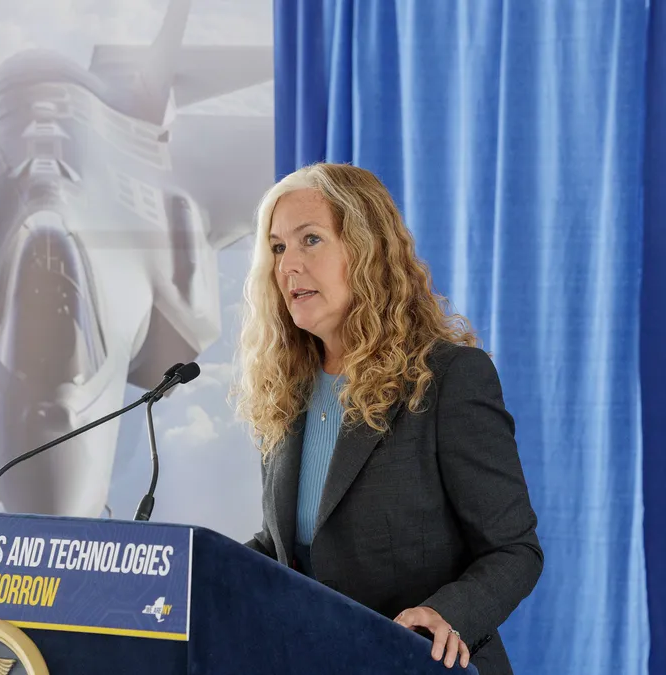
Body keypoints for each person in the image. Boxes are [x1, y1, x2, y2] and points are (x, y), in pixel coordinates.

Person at [232, 162, 543, 674]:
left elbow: (515, 550)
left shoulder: (448, 379)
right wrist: (197, 573)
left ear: (367, 248)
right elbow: (289, 545)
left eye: (311, 239)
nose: (288, 266)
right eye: (278, 247)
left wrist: (446, 615)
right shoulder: (287, 391)